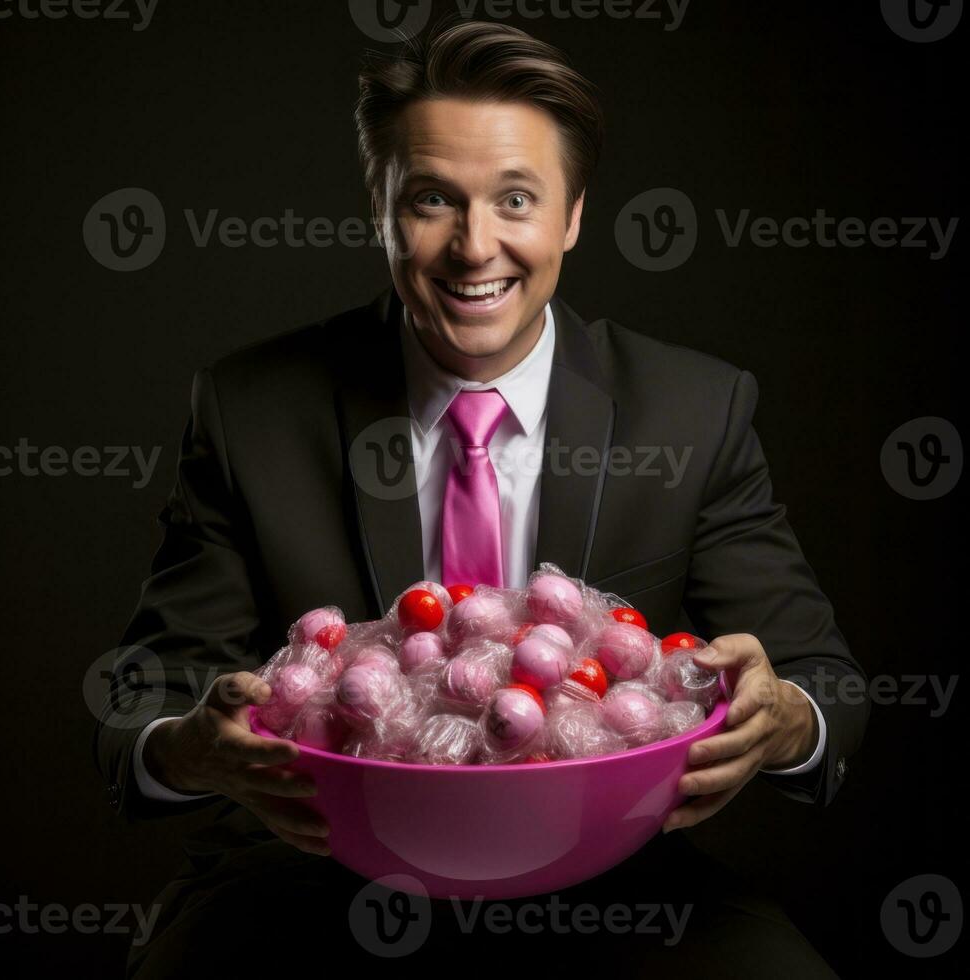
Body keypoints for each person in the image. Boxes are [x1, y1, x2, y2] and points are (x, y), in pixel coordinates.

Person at [92, 18, 869, 978]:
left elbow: (822, 683)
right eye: (430, 200)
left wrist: (784, 716)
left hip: (609, 880)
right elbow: (140, 699)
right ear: (380, 207)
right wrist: (189, 750)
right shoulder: (253, 408)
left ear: (574, 214)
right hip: (313, 873)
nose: (474, 247)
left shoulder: (694, 408)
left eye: (516, 199)